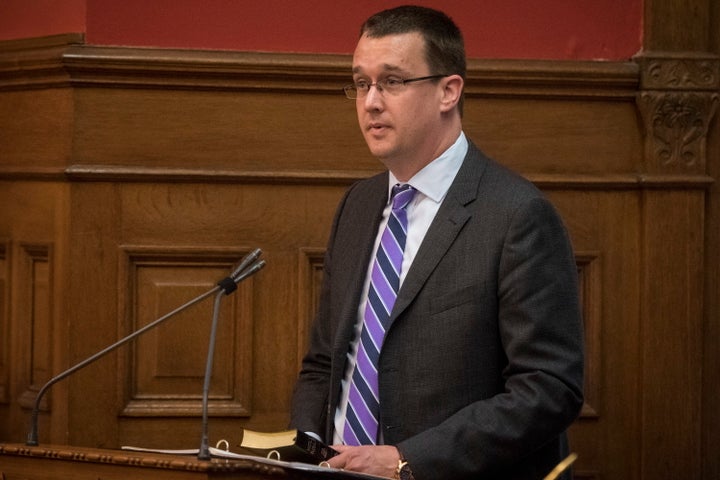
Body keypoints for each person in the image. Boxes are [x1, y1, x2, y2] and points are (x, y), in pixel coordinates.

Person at [290, 5, 584, 480]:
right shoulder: (358, 205)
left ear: (449, 91)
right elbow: (325, 361)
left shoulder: (517, 215)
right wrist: (307, 451)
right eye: (361, 83)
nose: (370, 102)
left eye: (392, 82)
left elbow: (548, 389)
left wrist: (408, 459)